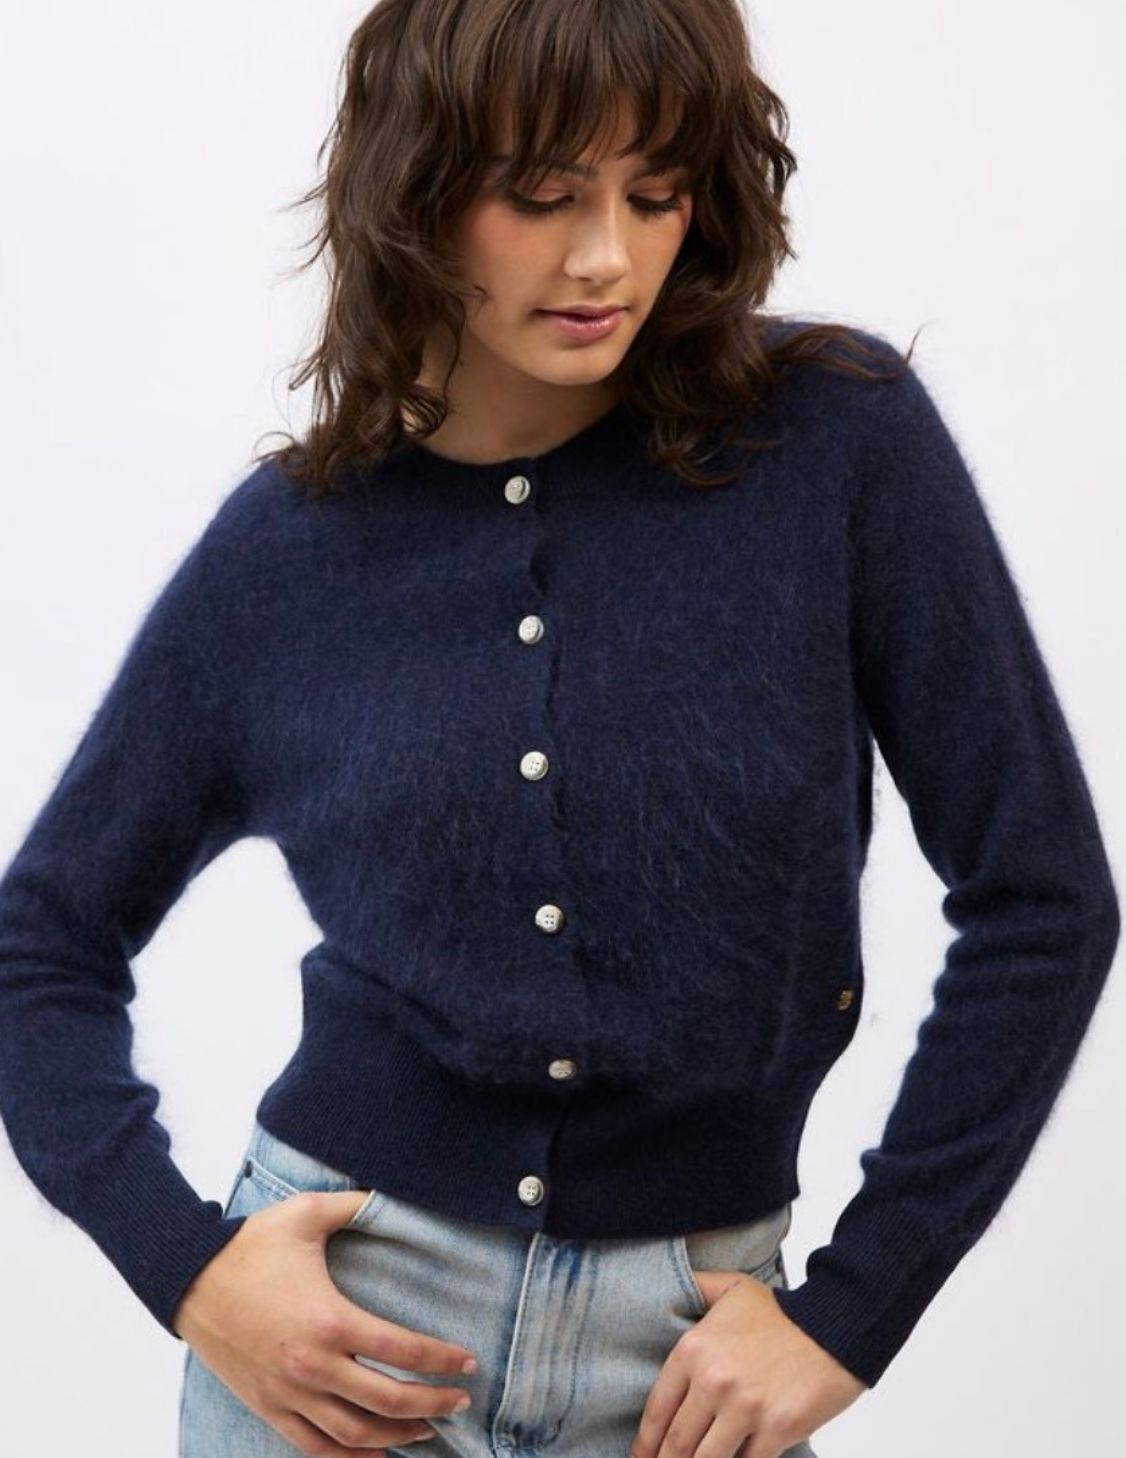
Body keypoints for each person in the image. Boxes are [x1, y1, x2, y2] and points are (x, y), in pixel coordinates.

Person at [0, 1, 1118, 1456]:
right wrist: (189, 1269)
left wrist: (856, 1308)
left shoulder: (831, 446)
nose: (605, 257)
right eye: (541, 196)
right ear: (414, 196)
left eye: (655, 195)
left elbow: (1043, 898)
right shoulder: (290, 552)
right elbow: (39, 941)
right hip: (338, 1350)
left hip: (692, 1369)